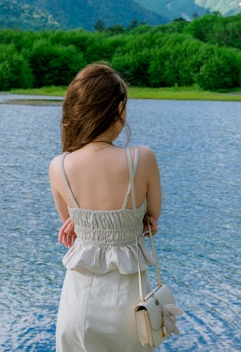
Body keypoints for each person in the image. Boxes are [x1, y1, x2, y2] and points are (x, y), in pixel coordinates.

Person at [49, 62, 162, 351]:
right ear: (118, 109)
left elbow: (70, 221)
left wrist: (87, 221)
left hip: (78, 304)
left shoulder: (59, 166)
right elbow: (151, 216)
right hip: (130, 303)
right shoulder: (142, 159)